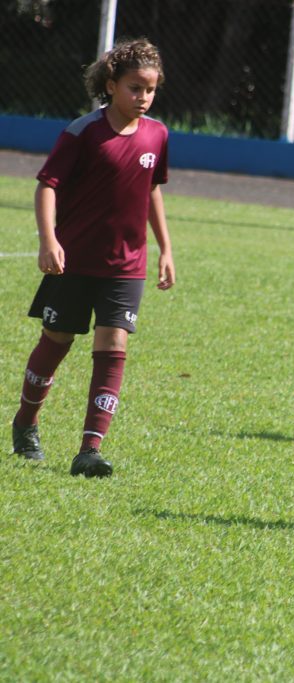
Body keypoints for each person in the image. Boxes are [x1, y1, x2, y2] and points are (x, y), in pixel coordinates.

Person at [10, 38, 175, 477]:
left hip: (127, 264)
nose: (143, 97)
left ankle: (90, 449)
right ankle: (25, 424)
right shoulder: (84, 132)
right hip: (75, 261)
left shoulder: (157, 134)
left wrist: (165, 247)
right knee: (57, 340)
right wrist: (49, 240)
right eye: (135, 88)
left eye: (150, 89)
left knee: (114, 343)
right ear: (111, 84)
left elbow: (152, 190)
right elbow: (48, 185)